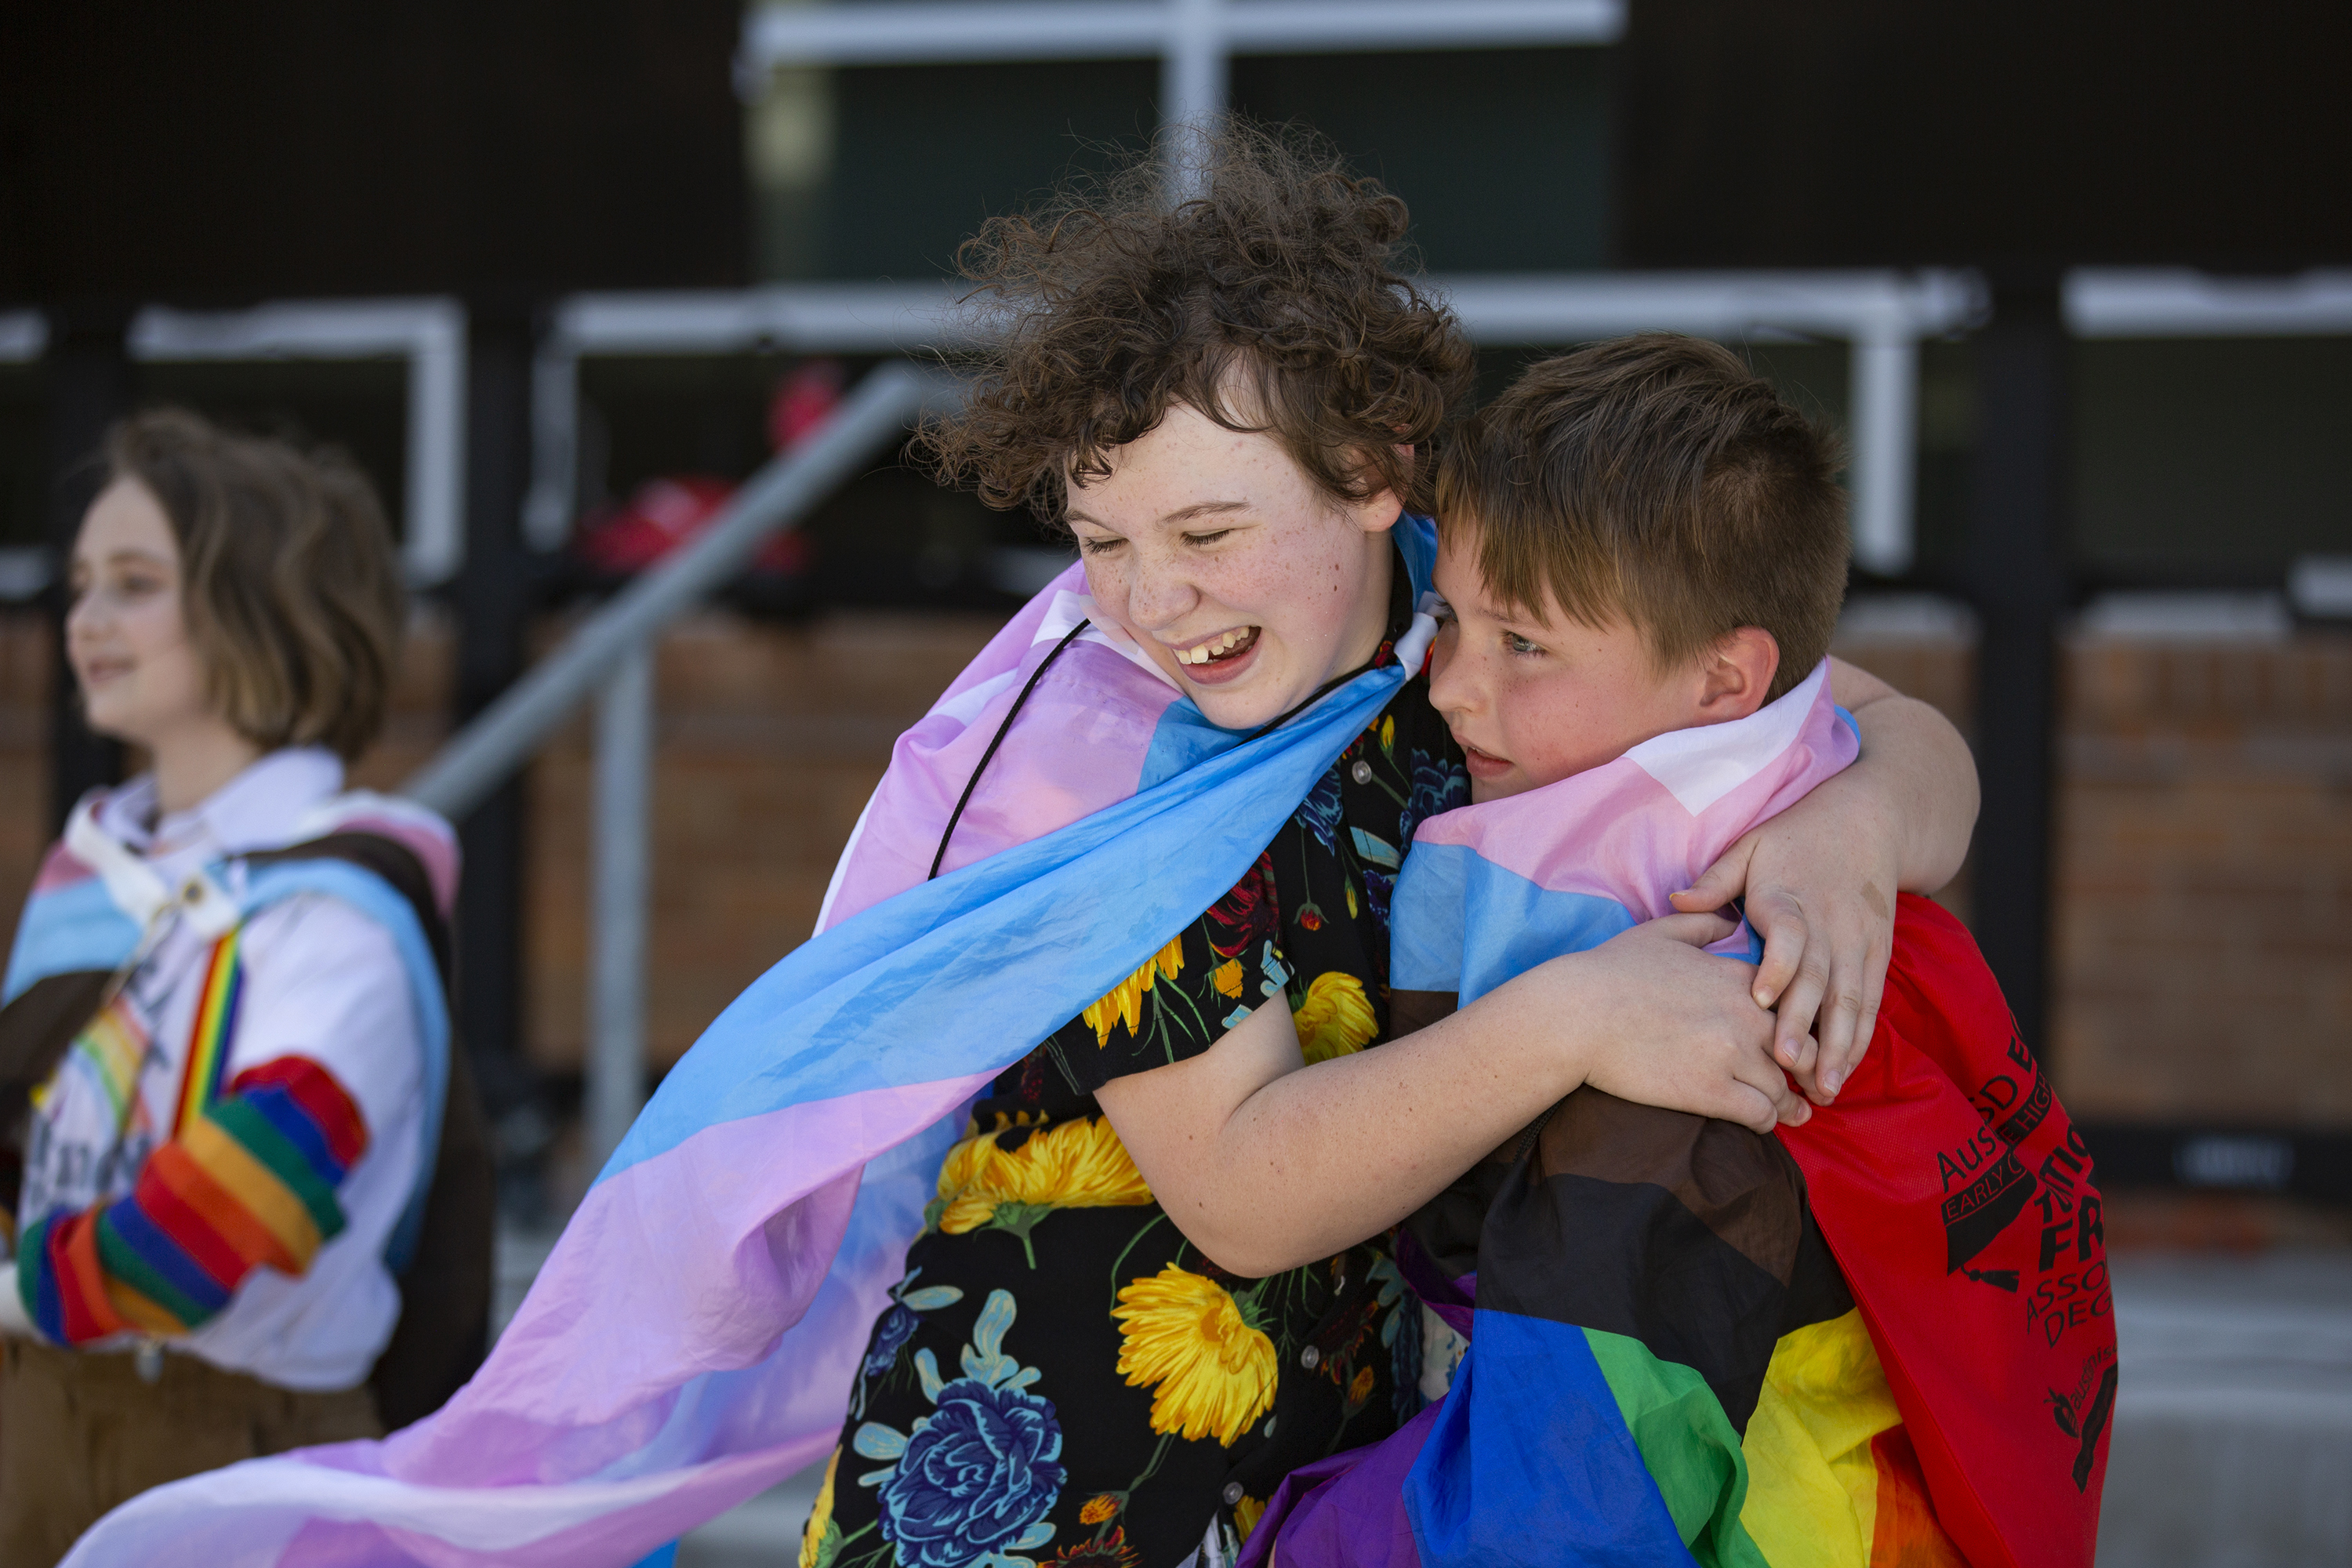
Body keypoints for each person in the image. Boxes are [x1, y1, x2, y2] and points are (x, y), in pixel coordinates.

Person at [53, 128, 1973, 1568]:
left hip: (1311, 1464)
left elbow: (1860, 710)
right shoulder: (1100, 778)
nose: (1153, 601)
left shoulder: (1447, 635)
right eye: (1101, 538)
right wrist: (1577, 1023)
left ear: (1386, 480)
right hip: (1035, 1480)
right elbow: (1244, 1187)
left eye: (1209, 534)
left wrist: (1852, 828)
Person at [1243, 336, 2112, 1568]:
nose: (1451, 688)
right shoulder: (1823, 855)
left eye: (1524, 646)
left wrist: (1310, 1539)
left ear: (1723, 684)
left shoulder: (1687, 1053)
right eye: (1449, 620)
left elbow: (1553, 1514)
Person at [0, 410, 490, 1565]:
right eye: (79, 585)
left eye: (133, 583)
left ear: (257, 603)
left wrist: (18, 1291)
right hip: (30, 1427)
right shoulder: (92, 874)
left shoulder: (341, 909)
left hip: (236, 1460)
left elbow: (220, 1223)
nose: (86, 621)